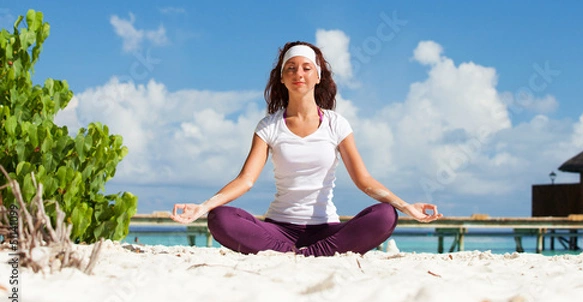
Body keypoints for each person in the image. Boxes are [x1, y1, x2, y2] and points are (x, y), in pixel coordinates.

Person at [171, 41, 442, 256]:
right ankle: (306, 254)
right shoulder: (269, 126)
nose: (298, 73)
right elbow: (246, 180)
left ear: (317, 76)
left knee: (384, 215)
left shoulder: (337, 124)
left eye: (305, 67)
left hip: (327, 230)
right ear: (282, 78)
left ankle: (303, 254)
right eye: (290, 68)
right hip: (278, 230)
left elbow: (365, 181)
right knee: (221, 218)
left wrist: (406, 206)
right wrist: (203, 207)